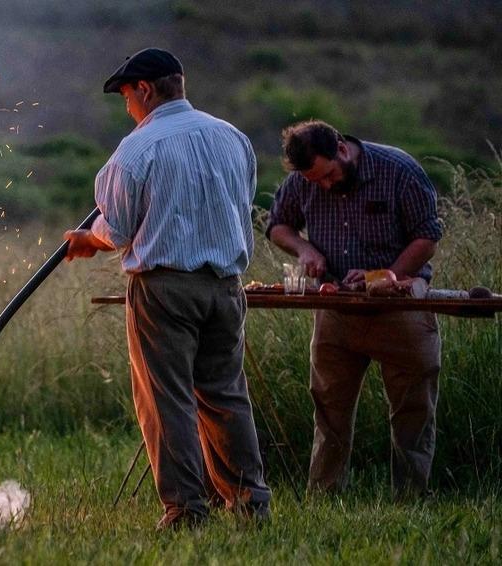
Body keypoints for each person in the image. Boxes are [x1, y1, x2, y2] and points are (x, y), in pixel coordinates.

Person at [65, 48, 271, 529]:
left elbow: (115, 229)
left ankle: (185, 510)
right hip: (225, 286)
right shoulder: (232, 138)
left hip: (165, 288)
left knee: (168, 399)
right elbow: (240, 206)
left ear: (145, 90)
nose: (127, 108)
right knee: (225, 395)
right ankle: (249, 503)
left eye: (127, 98)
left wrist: (87, 239)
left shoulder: (136, 149)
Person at [266, 120, 442, 496]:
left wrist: (388, 277)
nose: (325, 186)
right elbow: (278, 225)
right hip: (336, 308)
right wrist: (304, 249)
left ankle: (411, 498)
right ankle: (324, 497)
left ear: (342, 150)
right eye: (317, 182)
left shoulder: (399, 170)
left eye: (329, 176)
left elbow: (427, 236)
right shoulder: (304, 179)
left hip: (400, 308)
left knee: (413, 411)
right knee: (329, 412)